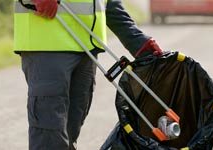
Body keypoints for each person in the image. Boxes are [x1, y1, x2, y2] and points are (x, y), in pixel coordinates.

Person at [14, 0, 163, 149]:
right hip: (46, 43)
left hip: (86, 48)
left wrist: (137, 40)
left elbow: (106, 3)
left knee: (70, 129)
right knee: (49, 130)